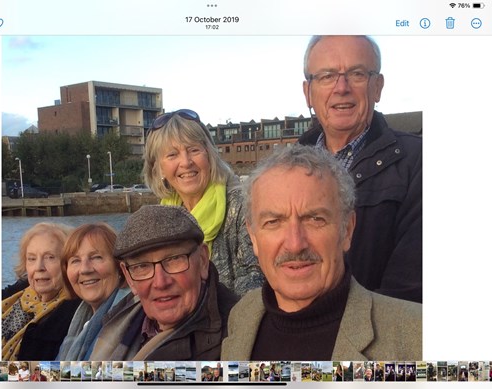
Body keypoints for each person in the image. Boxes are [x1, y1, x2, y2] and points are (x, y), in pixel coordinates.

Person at [221, 145, 422, 361]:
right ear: (253, 237)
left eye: (315, 219)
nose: (295, 244)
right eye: (274, 222)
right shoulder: (241, 317)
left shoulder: (418, 335)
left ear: (347, 229)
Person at [298, 35, 422, 303]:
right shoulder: (286, 170)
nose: (341, 88)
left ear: (377, 87)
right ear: (308, 92)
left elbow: (409, 288)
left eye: (356, 74)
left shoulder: (419, 162)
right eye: (327, 76)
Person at [88, 205, 239, 360]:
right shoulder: (118, 321)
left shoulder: (240, 337)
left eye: (174, 259)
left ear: (202, 261)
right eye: (142, 266)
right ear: (128, 277)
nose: (160, 282)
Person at [143, 108, 264, 296]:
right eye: (172, 155)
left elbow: (253, 282)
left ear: (209, 155)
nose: (186, 162)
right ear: (158, 168)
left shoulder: (242, 206)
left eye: (193, 150)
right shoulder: (160, 220)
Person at [1, 222, 80, 360]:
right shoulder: (18, 293)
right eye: (31, 258)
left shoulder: (75, 311)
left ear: (69, 262)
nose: (39, 267)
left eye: (50, 257)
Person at [57, 223, 130, 360]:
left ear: (120, 267)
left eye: (96, 257)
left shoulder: (134, 322)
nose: (85, 269)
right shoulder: (79, 322)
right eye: (75, 260)